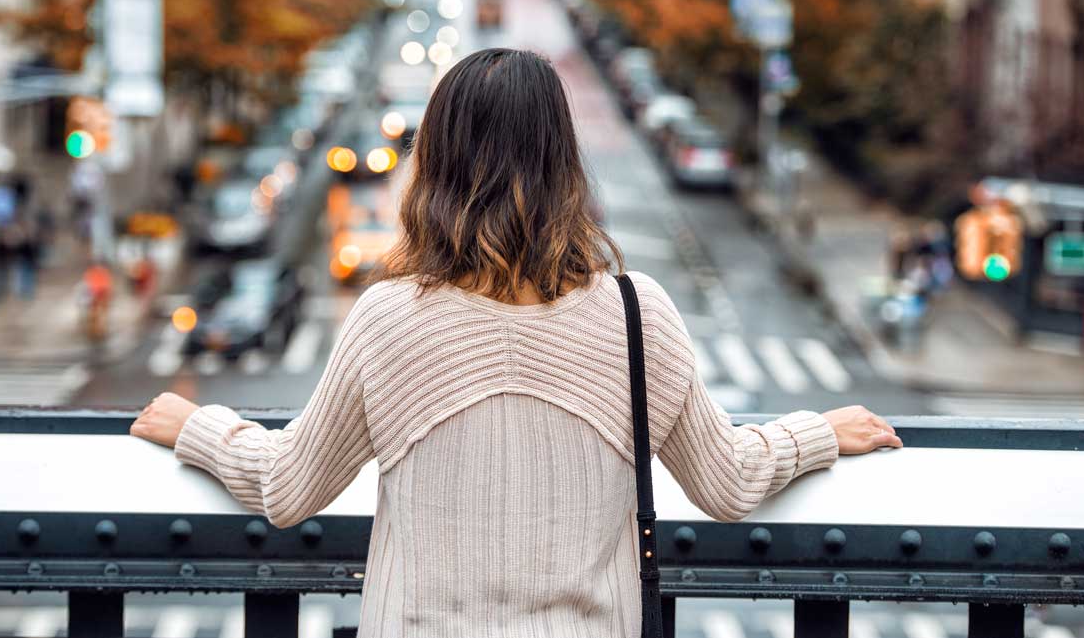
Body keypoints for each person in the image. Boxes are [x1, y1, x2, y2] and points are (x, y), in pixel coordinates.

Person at [131, 48, 901, 638]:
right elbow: (728, 481)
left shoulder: (389, 317)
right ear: (565, 164)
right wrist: (818, 432)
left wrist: (196, 426)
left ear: (434, 165)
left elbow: (289, 487)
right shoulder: (638, 314)